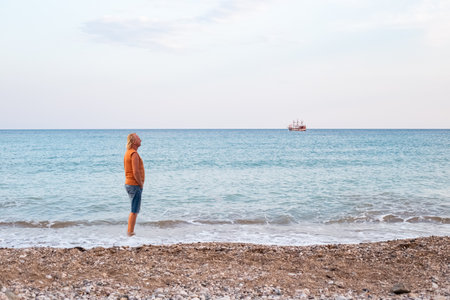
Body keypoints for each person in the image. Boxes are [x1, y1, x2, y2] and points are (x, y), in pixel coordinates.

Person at [124, 133, 145, 236]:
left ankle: (130, 231)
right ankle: (130, 232)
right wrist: (140, 184)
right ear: (134, 142)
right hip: (134, 184)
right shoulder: (134, 154)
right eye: (138, 138)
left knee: (134, 209)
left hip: (129, 183)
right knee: (134, 210)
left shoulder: (128, 152)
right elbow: (135, 172)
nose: (140, 139)